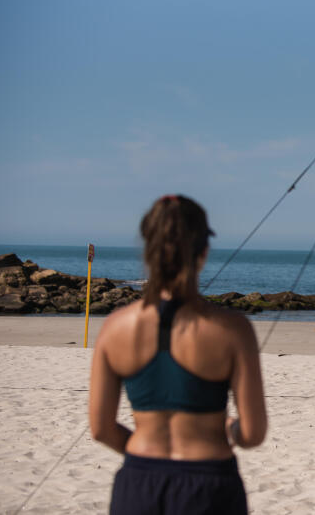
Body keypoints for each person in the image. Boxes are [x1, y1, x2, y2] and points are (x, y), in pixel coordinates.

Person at [89, 194, 268, 514]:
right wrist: (229, 429)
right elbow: (253, 434)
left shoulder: (114, 328)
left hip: (139, 482)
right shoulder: (232, 328)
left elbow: (101, 428)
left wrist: (144, 454)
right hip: (209, 483)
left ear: (148, 251)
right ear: (203, 252)